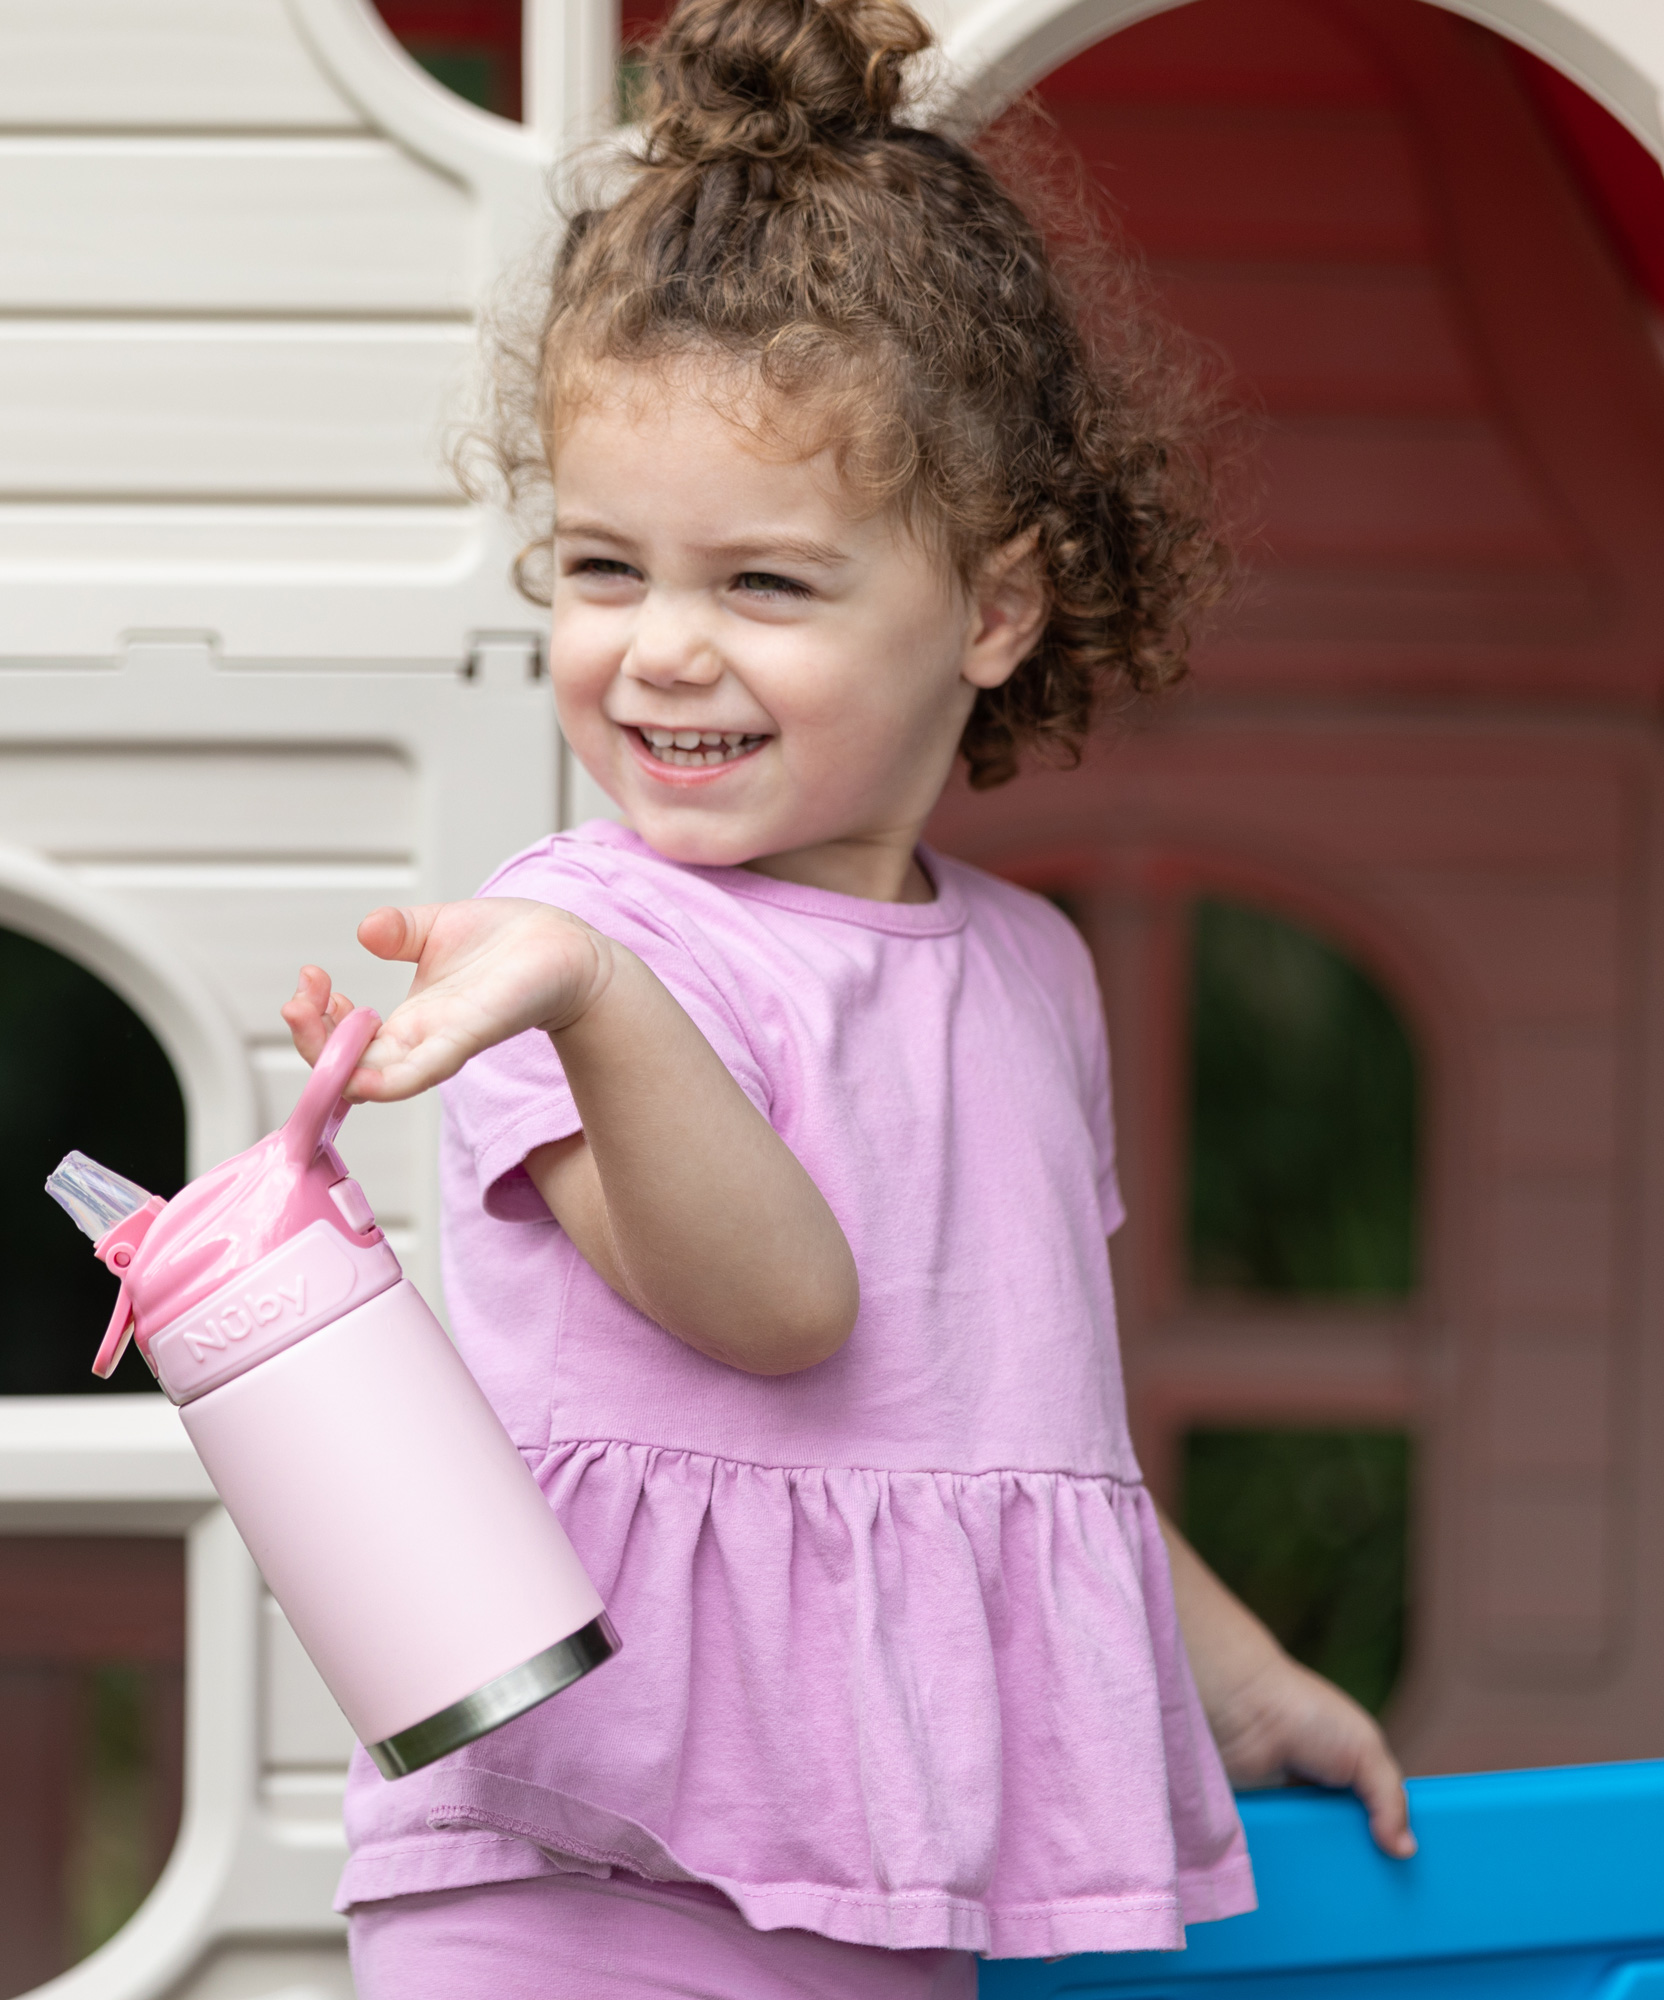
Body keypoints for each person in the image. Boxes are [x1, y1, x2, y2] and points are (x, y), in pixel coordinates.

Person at [284, 0, 1414, 1988]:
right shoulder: (556, 949)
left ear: (990, 602)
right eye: (605, 569)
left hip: (878, 1863)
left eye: (765, 586)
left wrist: (1237, 1691)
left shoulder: (1029, 972)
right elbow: (776, 1305)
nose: (661, 652)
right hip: (578, 1866)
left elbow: (1018, 1432)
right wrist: (584, 996)